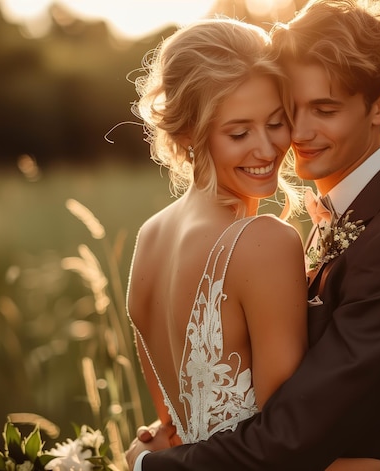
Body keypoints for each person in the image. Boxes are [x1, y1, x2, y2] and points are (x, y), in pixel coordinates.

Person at [127, 0, 380, 469]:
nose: (297, 134)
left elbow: (287, 434)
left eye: (322, 110)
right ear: (194, 132)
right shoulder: (274, 238)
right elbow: (280, 438)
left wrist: (151, 463)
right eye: (291, 110)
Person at [125, 16, 309, 455]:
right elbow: (288, 447)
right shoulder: (265, 243)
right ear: (189, 134)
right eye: (239, 132)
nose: (266, 150)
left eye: (276, 122)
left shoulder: (149, 238)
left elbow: (171, 434)